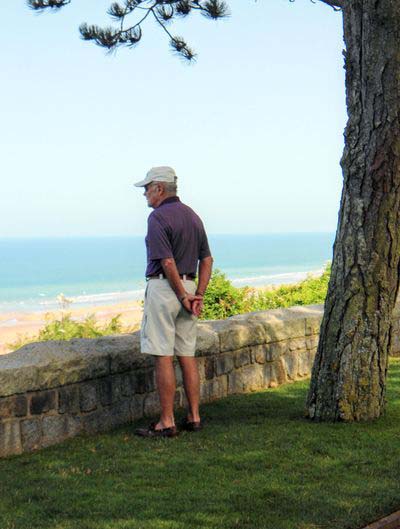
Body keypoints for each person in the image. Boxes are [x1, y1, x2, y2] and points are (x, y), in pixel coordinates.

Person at [134, 166, 213, 438]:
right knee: (187, 355)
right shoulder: (192, 216)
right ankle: (194, 416)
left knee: (163, 356)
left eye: (147, 188)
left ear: (159, 188)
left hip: (166, 288)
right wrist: (197, 294)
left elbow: (166, 261)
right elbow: (207, 260)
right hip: (190, 286)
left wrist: (180, 294)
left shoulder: (157, 218)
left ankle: (166, 422)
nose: (144, 193)